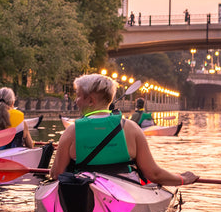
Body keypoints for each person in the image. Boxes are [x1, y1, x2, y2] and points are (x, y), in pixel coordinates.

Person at [50, 73, 197, 186]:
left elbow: (57, 174)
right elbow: (154, 174)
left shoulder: (71, 132)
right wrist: (182, 179)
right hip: (126, 193)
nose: (76, 101)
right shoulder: (132, 129)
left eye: (78, 96)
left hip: (83, 194)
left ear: (90, 100)